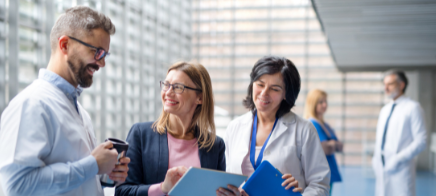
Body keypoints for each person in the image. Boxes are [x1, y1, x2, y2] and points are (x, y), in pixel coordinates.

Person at [0, 6, 130, 196]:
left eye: (105, 55)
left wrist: (104, 174)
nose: (102, 63)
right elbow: (18, 186)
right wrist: (92, 165)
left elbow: (74, 180)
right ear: (64, 45)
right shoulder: (31, 104)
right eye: (97, 52)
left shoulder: (80, 112)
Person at [217, 56, 330, 196]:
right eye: (260, 84)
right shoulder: (234, 127)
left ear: (286, 94)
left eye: (275, 89)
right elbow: (226, 179)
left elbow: (320, 184)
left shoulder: (303, 130)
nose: (264, 93)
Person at [115, 61, 225, 196]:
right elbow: (122, 192)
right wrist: (162, 188)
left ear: (200, 98)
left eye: (178, 87)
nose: (168, 92)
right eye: (166, 85)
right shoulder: (141, 135)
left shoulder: (215, 145)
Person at [372, 70, 427, 196]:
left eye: (390, 84)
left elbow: (421, 141)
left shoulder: (413, 108)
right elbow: (380, 139)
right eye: (384, 84)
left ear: (401, 85)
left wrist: (398, 159)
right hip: (382, 167)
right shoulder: (384, 110)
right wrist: (376, 160)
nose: (385, 88)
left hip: (401, 169)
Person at [303, 89, 342, 194]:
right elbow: (325, 149)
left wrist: (332, 145)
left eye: (325, 101)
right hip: (320, 173)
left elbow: (340, 146)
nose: (324, 105)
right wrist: (333, 144)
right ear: (313, 104)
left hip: (328, 171)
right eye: (321, 102)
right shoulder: (312, 124)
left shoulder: (325, 124)